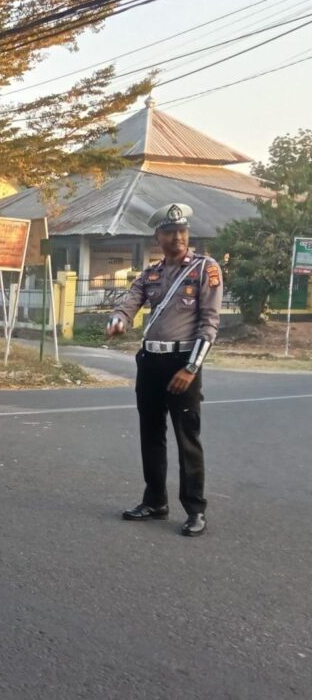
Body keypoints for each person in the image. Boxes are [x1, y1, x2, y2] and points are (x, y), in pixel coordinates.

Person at [106, 203, 223, 537]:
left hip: (182, 363)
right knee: (151, 433)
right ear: (158, 236)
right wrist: (118, 319)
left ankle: (195, 509)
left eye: (182, 232)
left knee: (187, 439)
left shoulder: (205, 269)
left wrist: (191, 367)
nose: (178, 238)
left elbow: (209, 323)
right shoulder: (152, 273)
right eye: (170, 233)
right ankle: (155, 501)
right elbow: (131, 299)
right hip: (151, 362)